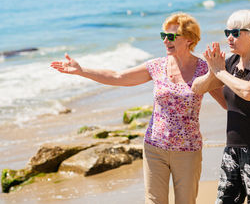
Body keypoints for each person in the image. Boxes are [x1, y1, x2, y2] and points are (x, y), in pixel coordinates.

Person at [51, 12, 224, 204]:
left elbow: (227, 103)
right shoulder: (157, 66)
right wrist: (82, 71)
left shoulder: (204, 69)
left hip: (187, 150)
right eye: (163, 36)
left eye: (172, 36)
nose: (166, 40)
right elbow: (118, 77)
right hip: (154, 147)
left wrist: (222, 74)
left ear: (190, 39)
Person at [192, 9, 250, 204]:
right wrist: (213, 72)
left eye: (235, 33)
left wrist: (220, 72)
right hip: (233, 147)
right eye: (227, 33)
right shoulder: (231, 63)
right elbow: (197, 88)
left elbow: (249, 91)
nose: (230, 38)